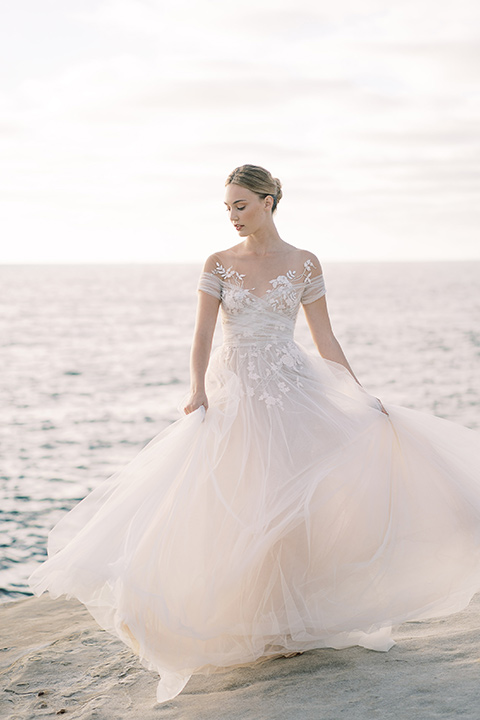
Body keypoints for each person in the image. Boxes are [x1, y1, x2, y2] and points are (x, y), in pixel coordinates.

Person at [29, 164, 480, 705]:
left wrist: (359, 394)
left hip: (291, 389)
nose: (233, 216)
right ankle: (247, 624)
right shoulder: (218, 263)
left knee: (293, 510)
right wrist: (196, 389)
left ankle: (289, 624)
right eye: (227, 208)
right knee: (239, 505)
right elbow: (200, 335)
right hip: (235, 392)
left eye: (241, 205)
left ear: (268, 201)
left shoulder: (305, 262)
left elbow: (324, 338)